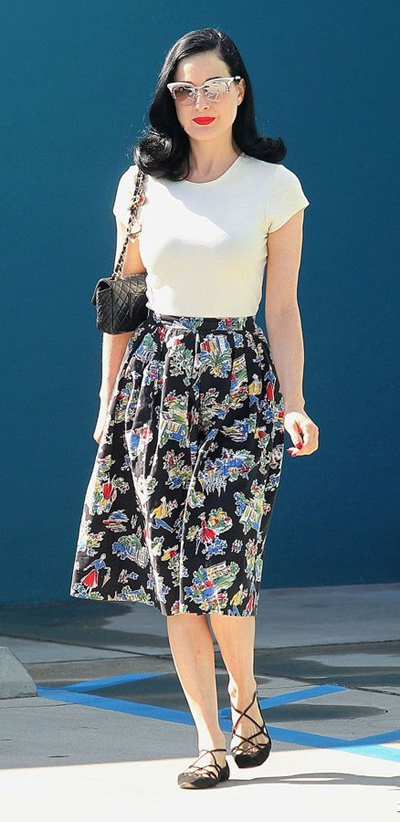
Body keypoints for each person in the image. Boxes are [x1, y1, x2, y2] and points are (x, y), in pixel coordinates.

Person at [70, 27, 319, 789]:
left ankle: (246, 699)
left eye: (214, 86)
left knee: (228, 565)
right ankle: (210, 741)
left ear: (240, 90)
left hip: (241, 383)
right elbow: (124, 300)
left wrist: (295, 403)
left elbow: (283, 308)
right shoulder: (141, 185)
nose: (200, 102)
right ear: (169, 99)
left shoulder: (275, 186)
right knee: (174, 573)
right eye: (185, 90)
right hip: (155, 385)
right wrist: (108, 400)